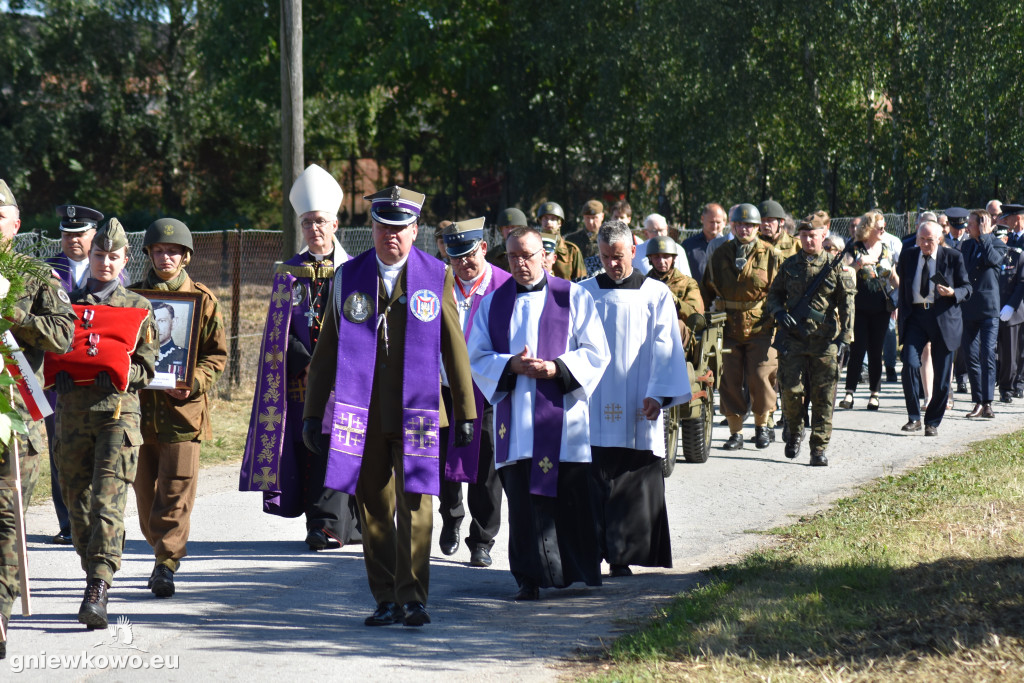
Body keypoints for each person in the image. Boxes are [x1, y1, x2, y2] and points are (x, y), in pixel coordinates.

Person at [303, 185, 476, 628]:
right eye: (383, 227)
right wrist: (310, 411)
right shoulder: (348, 276)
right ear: (371, 229)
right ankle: (385, 597)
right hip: (362, 414)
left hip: (418, 411)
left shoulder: (436, 275)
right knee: (374, 509)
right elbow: (326, 352)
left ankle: (414, 597)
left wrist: (466, 411)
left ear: (415, 230)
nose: (391, 236)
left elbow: (453, 347)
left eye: (401, 228)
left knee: (417, 505)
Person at [468, 227, 610, 601]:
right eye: (513, 256)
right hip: (515, 424)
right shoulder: (493, 303)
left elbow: (597, 352)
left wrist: (556, 368)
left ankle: (578, 574)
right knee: (524, 504)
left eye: (528, 255)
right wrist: (511, 364)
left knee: (570, 498)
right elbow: (476, 356)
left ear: (545, 256)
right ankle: (528, 578)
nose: (521, 263)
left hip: (562, 422)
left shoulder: (573, 296)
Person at [240, 164, 360, 551]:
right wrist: (305, 362)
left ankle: (334, 525)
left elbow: (360, 325)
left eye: (321, 222)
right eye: (307, 223)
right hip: (299, 380)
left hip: (344, 378)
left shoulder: (355, 272)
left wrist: (328, 365)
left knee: (341, 445)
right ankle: (322, 523)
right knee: (307, 448)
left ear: (336, 224)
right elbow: (276, 334)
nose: (315, 229)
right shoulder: (287, 274)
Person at [48, 217, 158, 629]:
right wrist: (54, 371)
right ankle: (91, 564)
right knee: (76, 502)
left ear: (125, 259)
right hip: (72, 413)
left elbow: (149, 365)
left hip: (118, 414)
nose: (105, 263)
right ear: (89, 256)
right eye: (99, 255)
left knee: (106, 501)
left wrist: (123, 373)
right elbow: (50, 346)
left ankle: (99, 586)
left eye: (114, 256)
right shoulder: (65, 303)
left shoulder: (139, 308)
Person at [579, 221, 689, 577]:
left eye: (620, 256)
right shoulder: (582, 292)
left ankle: (622, 554)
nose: (613, 263)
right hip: (593, 401)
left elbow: (667, 346)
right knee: (592, 477)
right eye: (606, 256)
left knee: (631, 476)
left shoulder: (655, 293)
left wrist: (658, 394)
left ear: (633, 251)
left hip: (639, 403)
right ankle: (591, 551)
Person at [131, 218, 228, 598]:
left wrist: (194, 384)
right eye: (158, 250)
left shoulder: (203, 301)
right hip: (138, 414)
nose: (165, 256)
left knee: (175, 493)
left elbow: (215, 357)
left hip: (183, 416)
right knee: (144, 497)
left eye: (173, 251)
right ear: (149, 254)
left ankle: (165, 564)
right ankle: (160, 549)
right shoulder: (131, 298)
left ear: (185, 257)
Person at [0, 179, 75, 658]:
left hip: (16, 420)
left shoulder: (35, 275)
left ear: (16, 223)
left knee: (6, 518)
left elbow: (63, 336)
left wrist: (16, 318)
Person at [436, 218, 511, 568]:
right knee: (441, 460)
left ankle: (481, 539)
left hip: (486, 390)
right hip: (444, 387)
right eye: (455, 258)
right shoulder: (437, 283)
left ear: (483, 247)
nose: (463, 264)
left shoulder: (505, 286)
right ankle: (451, 518)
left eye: (469, 255)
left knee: (486, 466)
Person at [766, 217, 855, 466]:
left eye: (813, 235)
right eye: (803, 235)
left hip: (824, 341)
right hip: (793, 340)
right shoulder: (789, 266)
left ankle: (818, 448)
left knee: (824, 396)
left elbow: (847, 304)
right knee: (791, 392)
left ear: (823, 235)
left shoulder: (834, 266)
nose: (808, 239)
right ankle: (794, 432)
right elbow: (774, 295)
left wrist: (845, 338)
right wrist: (780, 313)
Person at [44, 203, 107, 546]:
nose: (72, 240)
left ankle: (99, 518)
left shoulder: (110, 267)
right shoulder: (46, 270)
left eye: (79, 234)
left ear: (93, 234)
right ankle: (68, 521)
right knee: (60, 446)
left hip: (99, 375)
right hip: (60, 376)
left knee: (100, 447)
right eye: (66, 234)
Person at [702, 203, 782, 450]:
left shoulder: (771, 255)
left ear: (757, 227)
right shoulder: (719, 252)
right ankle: (735, 431)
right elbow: (707, 288)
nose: (743, 229)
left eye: (749, 225)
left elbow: (781, 291)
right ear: (732, 226)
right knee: (729, 379)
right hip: (728, 327)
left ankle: (761, 426)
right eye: (739, 224)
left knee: (760, 376)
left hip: (762, 326)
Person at [895, 221, 971, 435]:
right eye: (922, 239)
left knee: (942, 375)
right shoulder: (909, 255)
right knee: (909, 364)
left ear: (938, 238)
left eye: (930, 240)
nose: (925, 244)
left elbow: (967, 287)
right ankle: (914, 417)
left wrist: (952, 293)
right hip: (916, 317)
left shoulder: (952, 257)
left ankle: (933, 422)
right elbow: (904, 288)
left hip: (943, 317)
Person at [839, 211, 899, 411]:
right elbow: (843, 275)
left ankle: (875, 393)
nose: (883, 231)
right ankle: (849, 393)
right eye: (879, 227)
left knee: (876, 351)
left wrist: (894, 277)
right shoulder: (854, 248)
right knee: (857, 350)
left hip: (881, 307)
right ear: (868, 228)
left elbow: (895, 280)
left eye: (884, 227)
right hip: (859, 307)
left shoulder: (886, 249)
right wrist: (858, 264)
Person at [959, 209, 1005, 418]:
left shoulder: (996, 243)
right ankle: (977, 401)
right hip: (968, 308)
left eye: (971, 224)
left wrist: (986, 236)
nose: (967, 227)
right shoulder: (966, 245)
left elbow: (994, 261)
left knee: (987, 354)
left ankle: (988, 402)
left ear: (982, 224)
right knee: (970, 356)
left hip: (988, 309)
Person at [644, 235, 704, 349]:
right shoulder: (643, 284)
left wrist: (675, 301)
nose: (661, 261)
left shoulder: (688, 283)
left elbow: (697, 318)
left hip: (682, 341)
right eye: (656, 257)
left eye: (666, 256)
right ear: (650, 259)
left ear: (674, 258)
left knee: (677, 324)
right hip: (650, 336)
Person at [997, 204, 1024, 403]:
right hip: (1010, 299)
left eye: (1008, 217)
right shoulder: (1009, 239)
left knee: (1021, 347)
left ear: (1018, 217)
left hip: (1020, 300)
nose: (1005, 221)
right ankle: (1009, 383)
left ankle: (1020, 382)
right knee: (1010, 347)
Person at [534, 202, 586, 281]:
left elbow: (581, 281)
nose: (548, 222)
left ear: (560, 223)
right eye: (545, 218)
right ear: (540, 221)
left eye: (553, 219)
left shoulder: (571, 251)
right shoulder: (533, 248)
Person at [633, 213, 692, 278]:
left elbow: (687, 279)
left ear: (667, 229)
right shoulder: (636, 252)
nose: (659, 234)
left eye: (661, 230)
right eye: (654, 231)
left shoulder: (678, 249)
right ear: (646, 233)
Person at [683, 203, 726, 282]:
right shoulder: (688, 246)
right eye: (711, 222)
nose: (715, 226)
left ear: (724, 222)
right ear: (702, 219)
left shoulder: (728, 246)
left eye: (718, 222)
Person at [152, 303, 187, 382]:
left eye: (161, 321)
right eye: (152, 321)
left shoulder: (185, 355)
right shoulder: (135, 354)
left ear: (174, 323)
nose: (156, 327)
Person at [564, 199, 605, 267]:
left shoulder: (607, 238)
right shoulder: (571, 240)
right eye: (588, 218)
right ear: (583, 217)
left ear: (602, 216)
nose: (591, 222)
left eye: (594, 218)